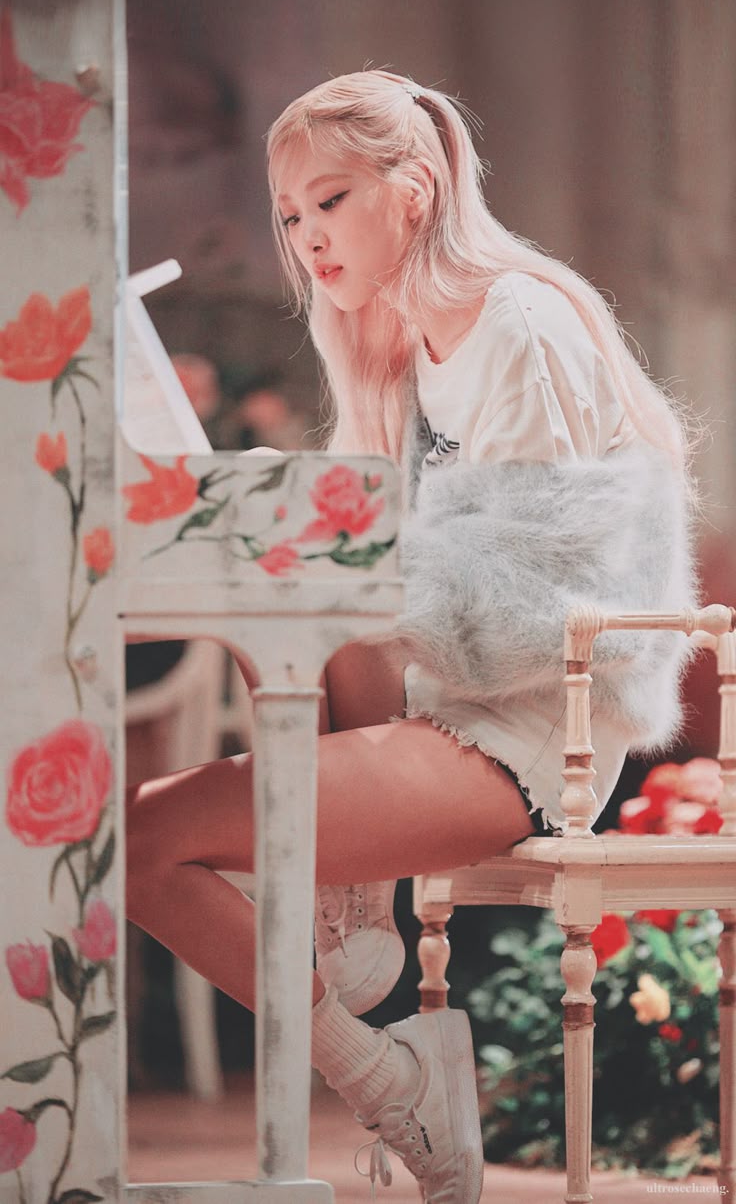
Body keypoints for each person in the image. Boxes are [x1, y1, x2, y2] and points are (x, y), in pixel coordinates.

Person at [126, 70, 698, 1202]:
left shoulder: (518, 322)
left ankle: (390, 1077)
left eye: (330, 200)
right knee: (271, 520)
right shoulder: (405, 344)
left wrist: (319, 539)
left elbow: (529, 604)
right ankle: (356, 921)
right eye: (291, 214)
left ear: (417, 189)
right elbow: (397, 584)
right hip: (444, 708)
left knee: (141, 839)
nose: (307, 237)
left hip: (526, 739)